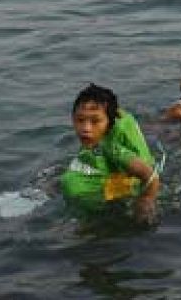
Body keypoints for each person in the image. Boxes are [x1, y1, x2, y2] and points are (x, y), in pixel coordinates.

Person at [59, 83, 160, 223]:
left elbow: (150, 175)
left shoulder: (112, 149)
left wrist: (146, 200)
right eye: (80, 120)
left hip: (101, 211)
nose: (85, 128)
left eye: (95, 121)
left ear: (109, 124)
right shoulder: (93, 141)